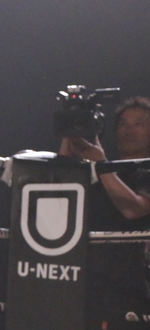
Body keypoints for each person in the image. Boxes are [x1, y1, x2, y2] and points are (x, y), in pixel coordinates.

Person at [60, 96, 150, 329]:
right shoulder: (98, 168)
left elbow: (133, 209)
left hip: (130, 284)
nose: (129, 129)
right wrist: (70, 137)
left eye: (139, 123)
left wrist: (101, 164)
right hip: (85, 277)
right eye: (123, 123)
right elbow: (58, 195)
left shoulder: (143, 171)